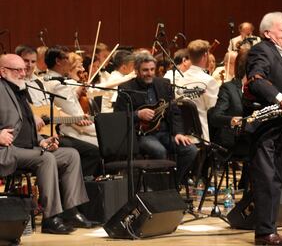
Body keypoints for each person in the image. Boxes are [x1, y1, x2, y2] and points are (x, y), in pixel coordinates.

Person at [0, 54, 92, 234]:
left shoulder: (19, 90)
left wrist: (42, 140)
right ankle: (51, 217)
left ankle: (71, 210)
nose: (22, 73)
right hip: (7, 150)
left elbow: (25, 125)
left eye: (24, 70)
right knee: (46, 159)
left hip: (30, 147)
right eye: (17, 70)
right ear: (3, 71)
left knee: (70, 155)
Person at [245, 12, 282, 246]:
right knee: (266, 178)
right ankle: (265, 233)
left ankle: (269, 229)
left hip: (278, 125)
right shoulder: (262, 50)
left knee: (275, 177)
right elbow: (256, 79)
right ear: (267, 33)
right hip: (264, 125)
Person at [114, 52, 198, 185]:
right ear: (136, 71)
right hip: (143, 135)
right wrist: (137, 114)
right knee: (159, 151)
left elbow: (174, 111)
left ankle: (173, 183)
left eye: (152, 69)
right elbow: (117, 116)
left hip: (165, 132)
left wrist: (179, 133)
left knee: (190, 150)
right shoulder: (126, 88)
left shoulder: (164, 84)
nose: (149, 73)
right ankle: (158, 187)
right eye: (145, 70)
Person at [43, 46, 101, 177]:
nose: (70, 62)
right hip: (70, 131)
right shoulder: (57, 85)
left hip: (72, 127)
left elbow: (65, 102)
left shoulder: (55, 81)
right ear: (58, 61)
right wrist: (102, 128)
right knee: (104, 146)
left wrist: (76, 91)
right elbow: (76, 117)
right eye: (68, 58)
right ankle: (85, 184)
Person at [173, 39, 219, 141]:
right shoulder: (209, 81)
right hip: (202, 135)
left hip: (182, 134)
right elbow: (213, 112)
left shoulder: (179, 80)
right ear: (205, 56)